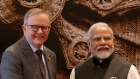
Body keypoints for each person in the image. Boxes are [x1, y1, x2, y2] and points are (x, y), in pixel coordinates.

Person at [70, 22, 140, 79]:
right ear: (89, 44)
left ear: (113, 41)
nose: (103, 42)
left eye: (107, 38)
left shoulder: (128, 70)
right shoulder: (77, 71)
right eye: (97, 39)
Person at [0, 8, 56, 79]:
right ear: (24, 29)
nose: (40, 32)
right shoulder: (12, 55)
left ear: (49, 29)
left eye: (44, 27)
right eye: (35, 27)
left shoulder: (51, 55)